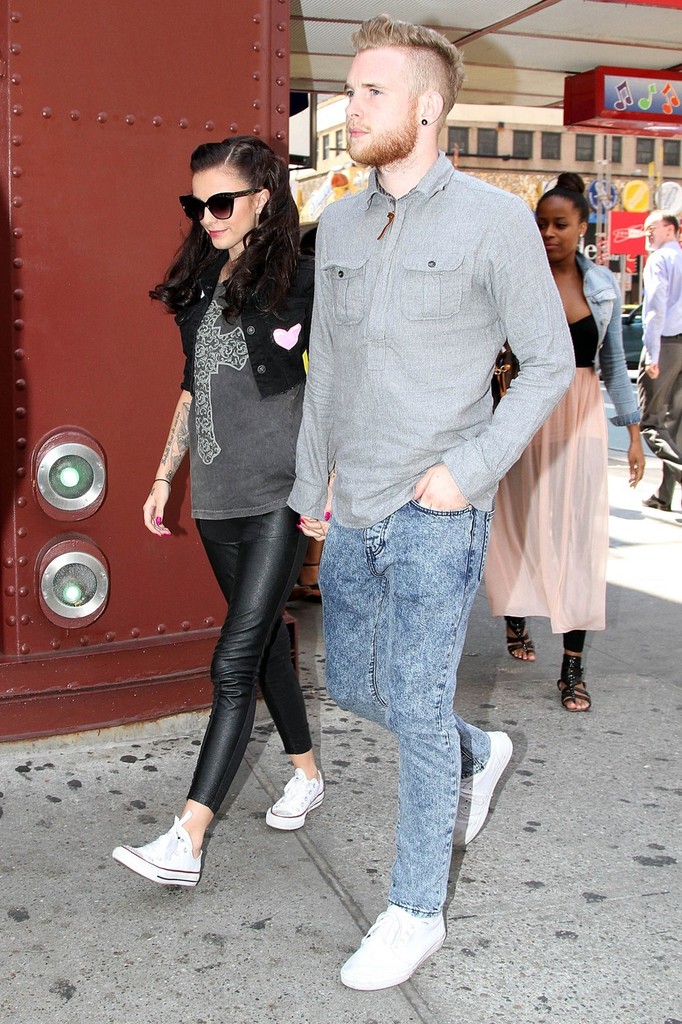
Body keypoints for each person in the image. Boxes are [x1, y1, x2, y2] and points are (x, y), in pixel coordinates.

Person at [289, 15, 574, 991]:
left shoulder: (494, 220)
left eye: (371, 91)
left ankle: (414, 910)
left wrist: (473, 468)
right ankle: (477, 751)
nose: (351, 106)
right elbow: (330, 370)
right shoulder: (338, 223)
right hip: (356, 500)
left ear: (427, 107)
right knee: (355, 687)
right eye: (350, 89)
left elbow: (550, 361)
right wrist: (314, 481)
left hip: (439, 507)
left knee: (413, 701)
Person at [112, 137, 323, 888]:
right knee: (260, 646)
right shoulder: (204, 279)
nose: (207, 216)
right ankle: (307, 773)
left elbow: (335, 382)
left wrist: (326, 481)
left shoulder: (300, 278)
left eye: (222, 202)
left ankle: (187, 837)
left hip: (278, 494)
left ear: (263, 198)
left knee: (231, 660)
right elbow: (193, 383)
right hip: (217, 496)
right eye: (197, 203)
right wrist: (163, 475)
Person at [485, 173, 645, 710]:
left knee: (579, 533)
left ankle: (572, 668)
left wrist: (633, 432)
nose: (548, 233)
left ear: (582, 228)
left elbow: (613, 363)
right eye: (541, 223)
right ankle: (515, 612)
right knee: (517, 520)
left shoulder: (601, 286)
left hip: (579, 416)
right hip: (524, 413)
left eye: (560, 224)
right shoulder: (517, 278)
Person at [638, 211, 682, 512]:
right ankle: (664, 495)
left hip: (664, 345)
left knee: (651, 422)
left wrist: (652, 354)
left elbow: (655, 307)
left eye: (651, 228)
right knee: (675, 423)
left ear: (670, 229)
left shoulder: (659, 260)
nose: (647, 234)